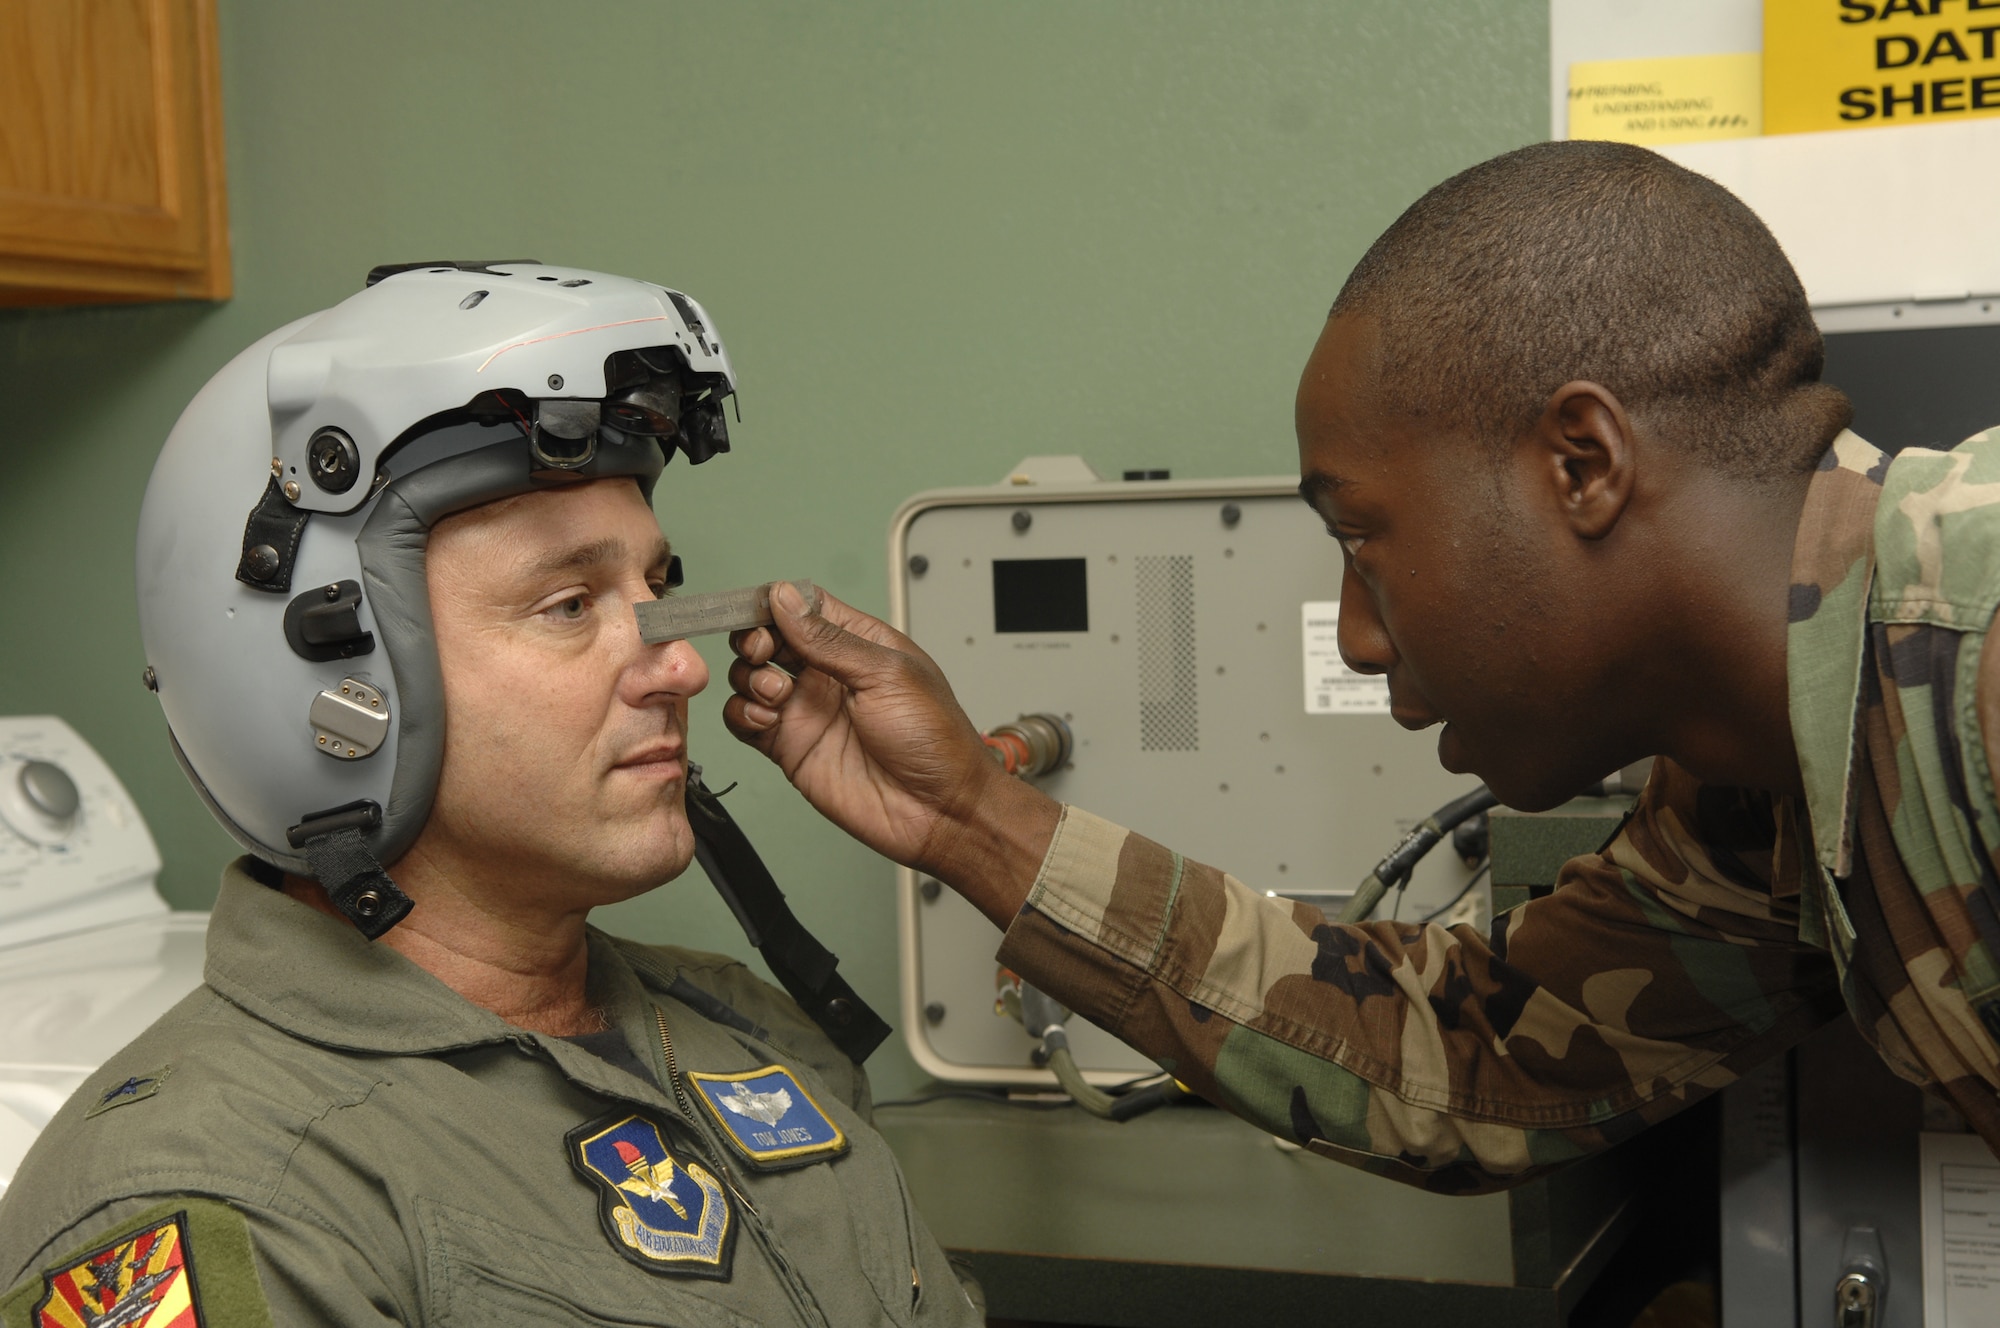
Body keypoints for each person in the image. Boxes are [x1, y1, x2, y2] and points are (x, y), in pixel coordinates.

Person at [721, 140, 2000, 1194]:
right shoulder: (1759, 780)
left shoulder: (1977, 656)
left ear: (1581, 465)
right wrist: (969, 820)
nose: (1353, 634)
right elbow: (1470, 1058)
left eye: (1360, 537)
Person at [0, 265, 982, 1326]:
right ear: (324, 684)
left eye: (650, 589)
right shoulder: (227, 1194)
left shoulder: (743, 1029)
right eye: (567, 604)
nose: (679, 666)